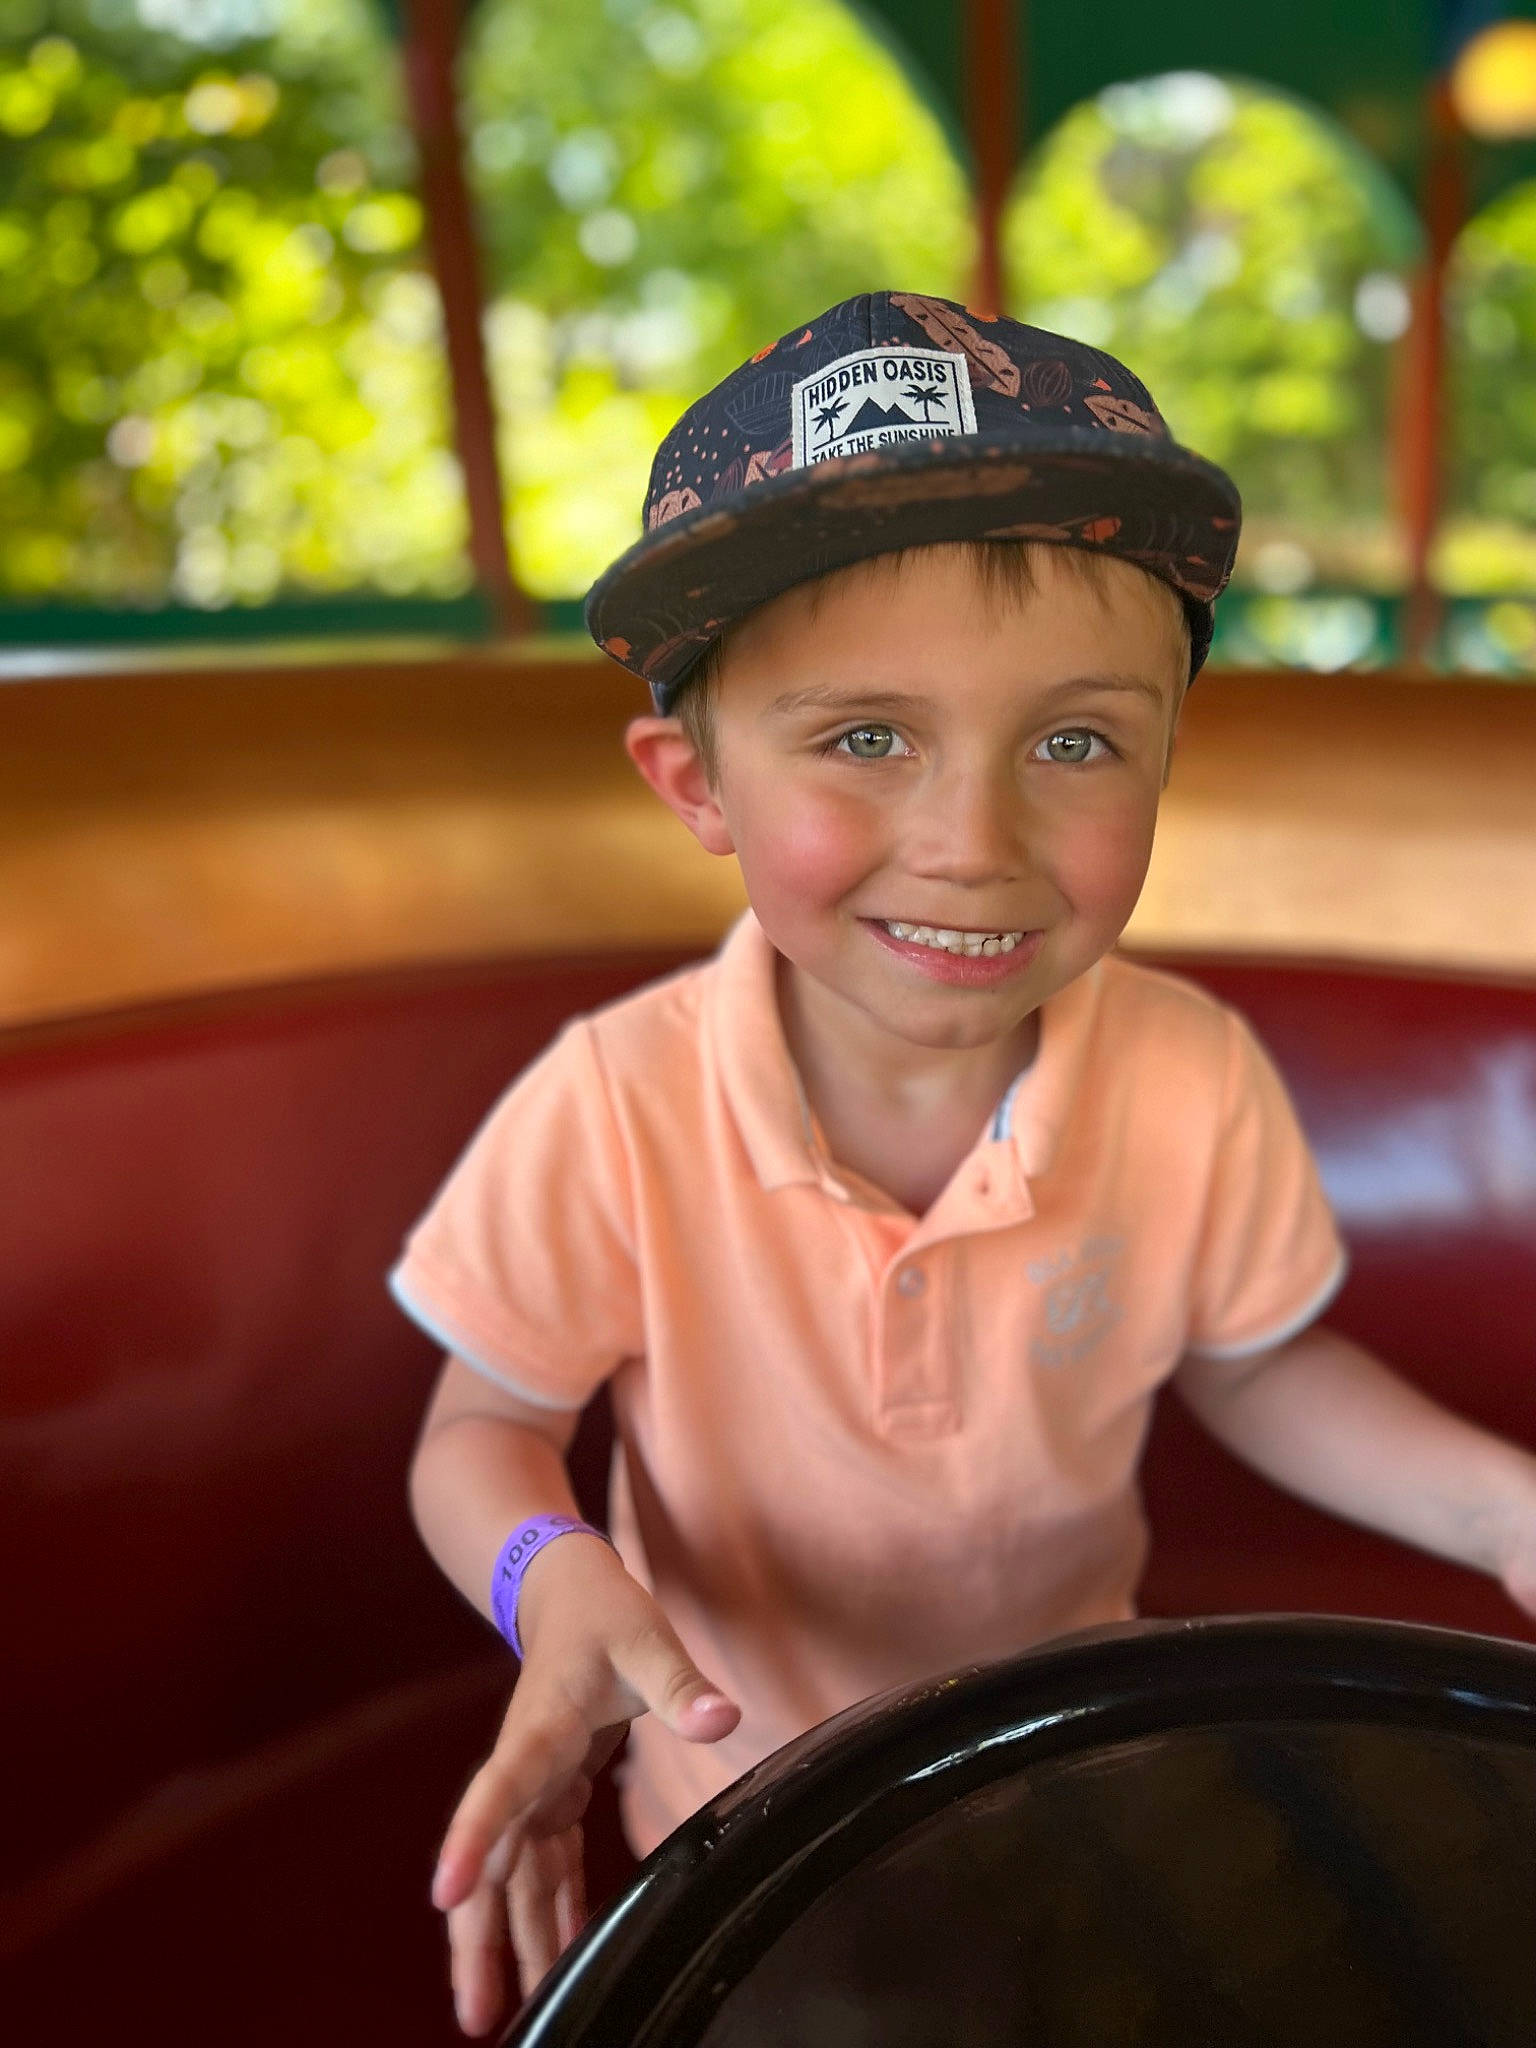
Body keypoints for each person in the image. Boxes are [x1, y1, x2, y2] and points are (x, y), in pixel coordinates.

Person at [392, 292, 1536, 2037]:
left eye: (1074, 743)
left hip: (1084, 1755)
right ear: (693, 780)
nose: (972, 842)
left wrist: (1501, 1512)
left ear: (1165, 757)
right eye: (865, 738)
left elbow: (1259, 1362)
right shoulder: (616, 1102)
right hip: (745, 1816)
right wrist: (547, 1577)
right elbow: (480, 1428)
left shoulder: (1188, 1072)